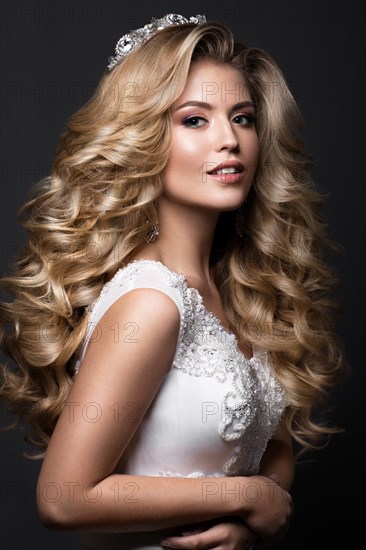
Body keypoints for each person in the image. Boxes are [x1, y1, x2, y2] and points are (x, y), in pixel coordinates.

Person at [0, 13, 344, 550]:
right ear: (144, 137)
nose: (229, 140)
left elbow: (272, 446)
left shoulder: (240, 293)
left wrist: (247, 524)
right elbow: (63, 497)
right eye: (194, 120)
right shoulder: (151, 303)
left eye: (243, 117)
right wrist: (248, 498)